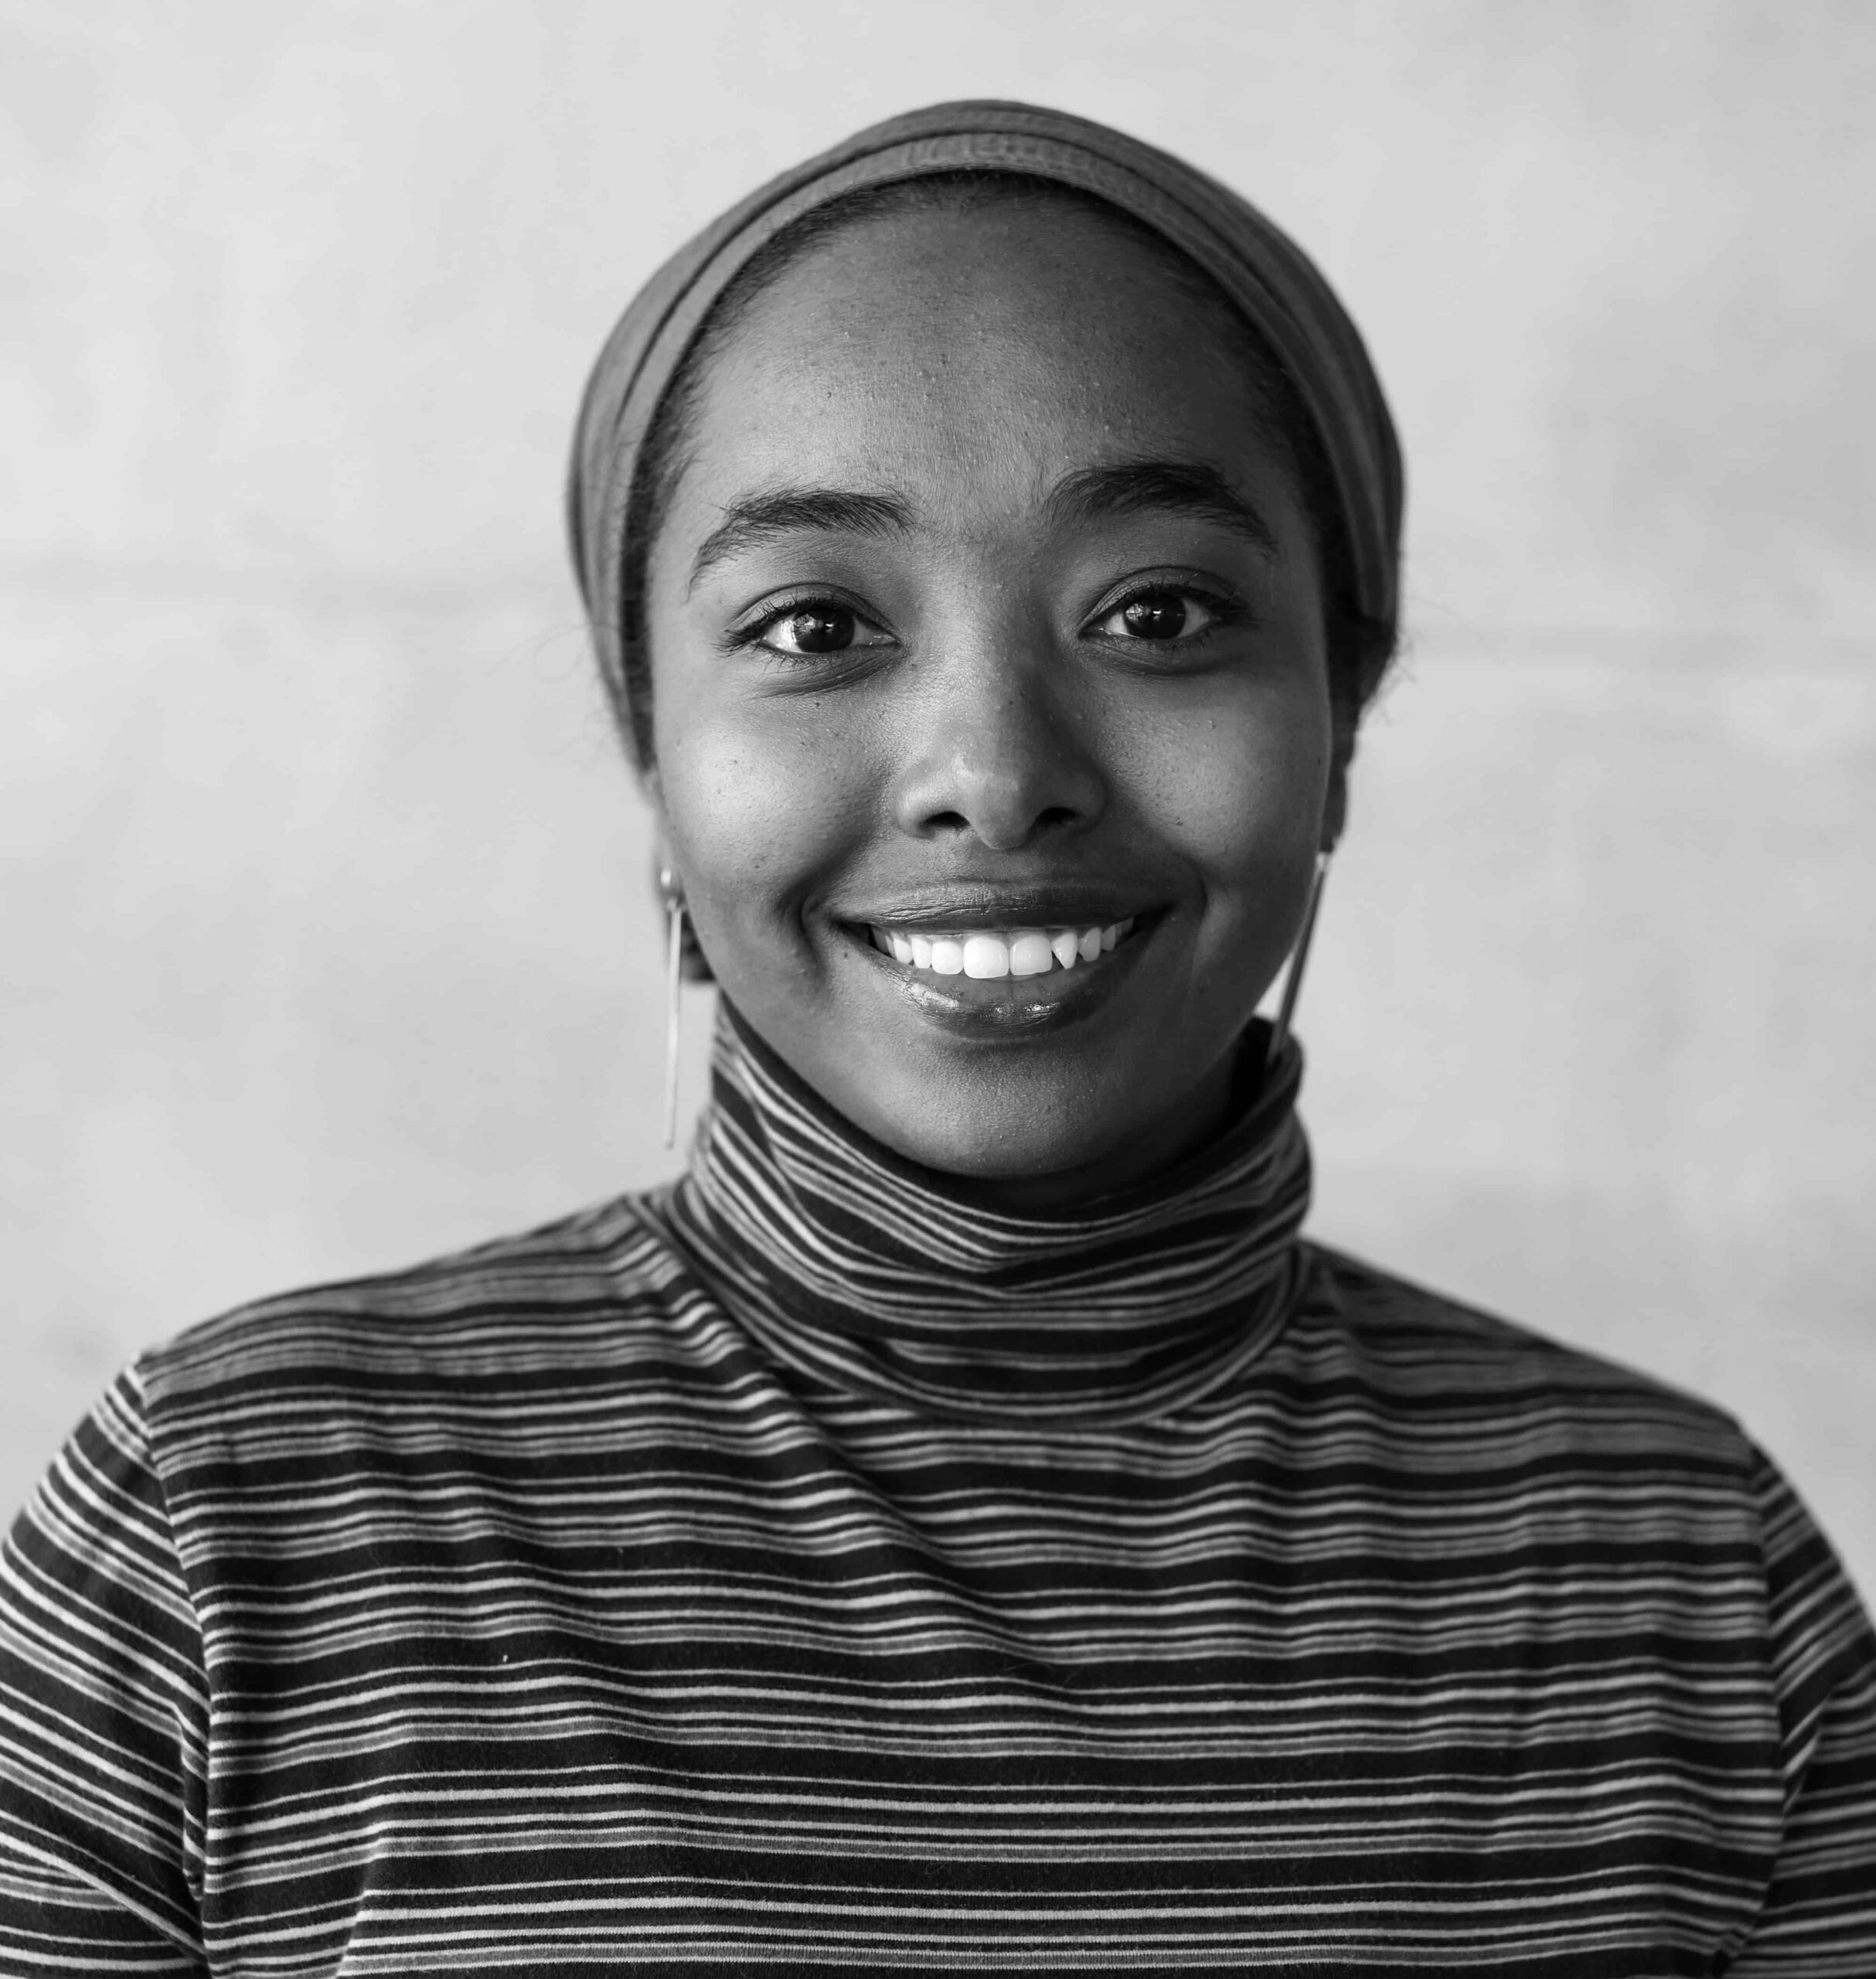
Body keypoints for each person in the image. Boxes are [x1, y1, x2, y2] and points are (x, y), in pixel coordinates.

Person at [2, 100, 1871, 1974]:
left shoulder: (1677, 1573)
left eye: (1155, 610)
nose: (992, 775)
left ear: (1342, 712)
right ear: (647, 740)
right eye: (814, 624)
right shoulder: (228, 1526)